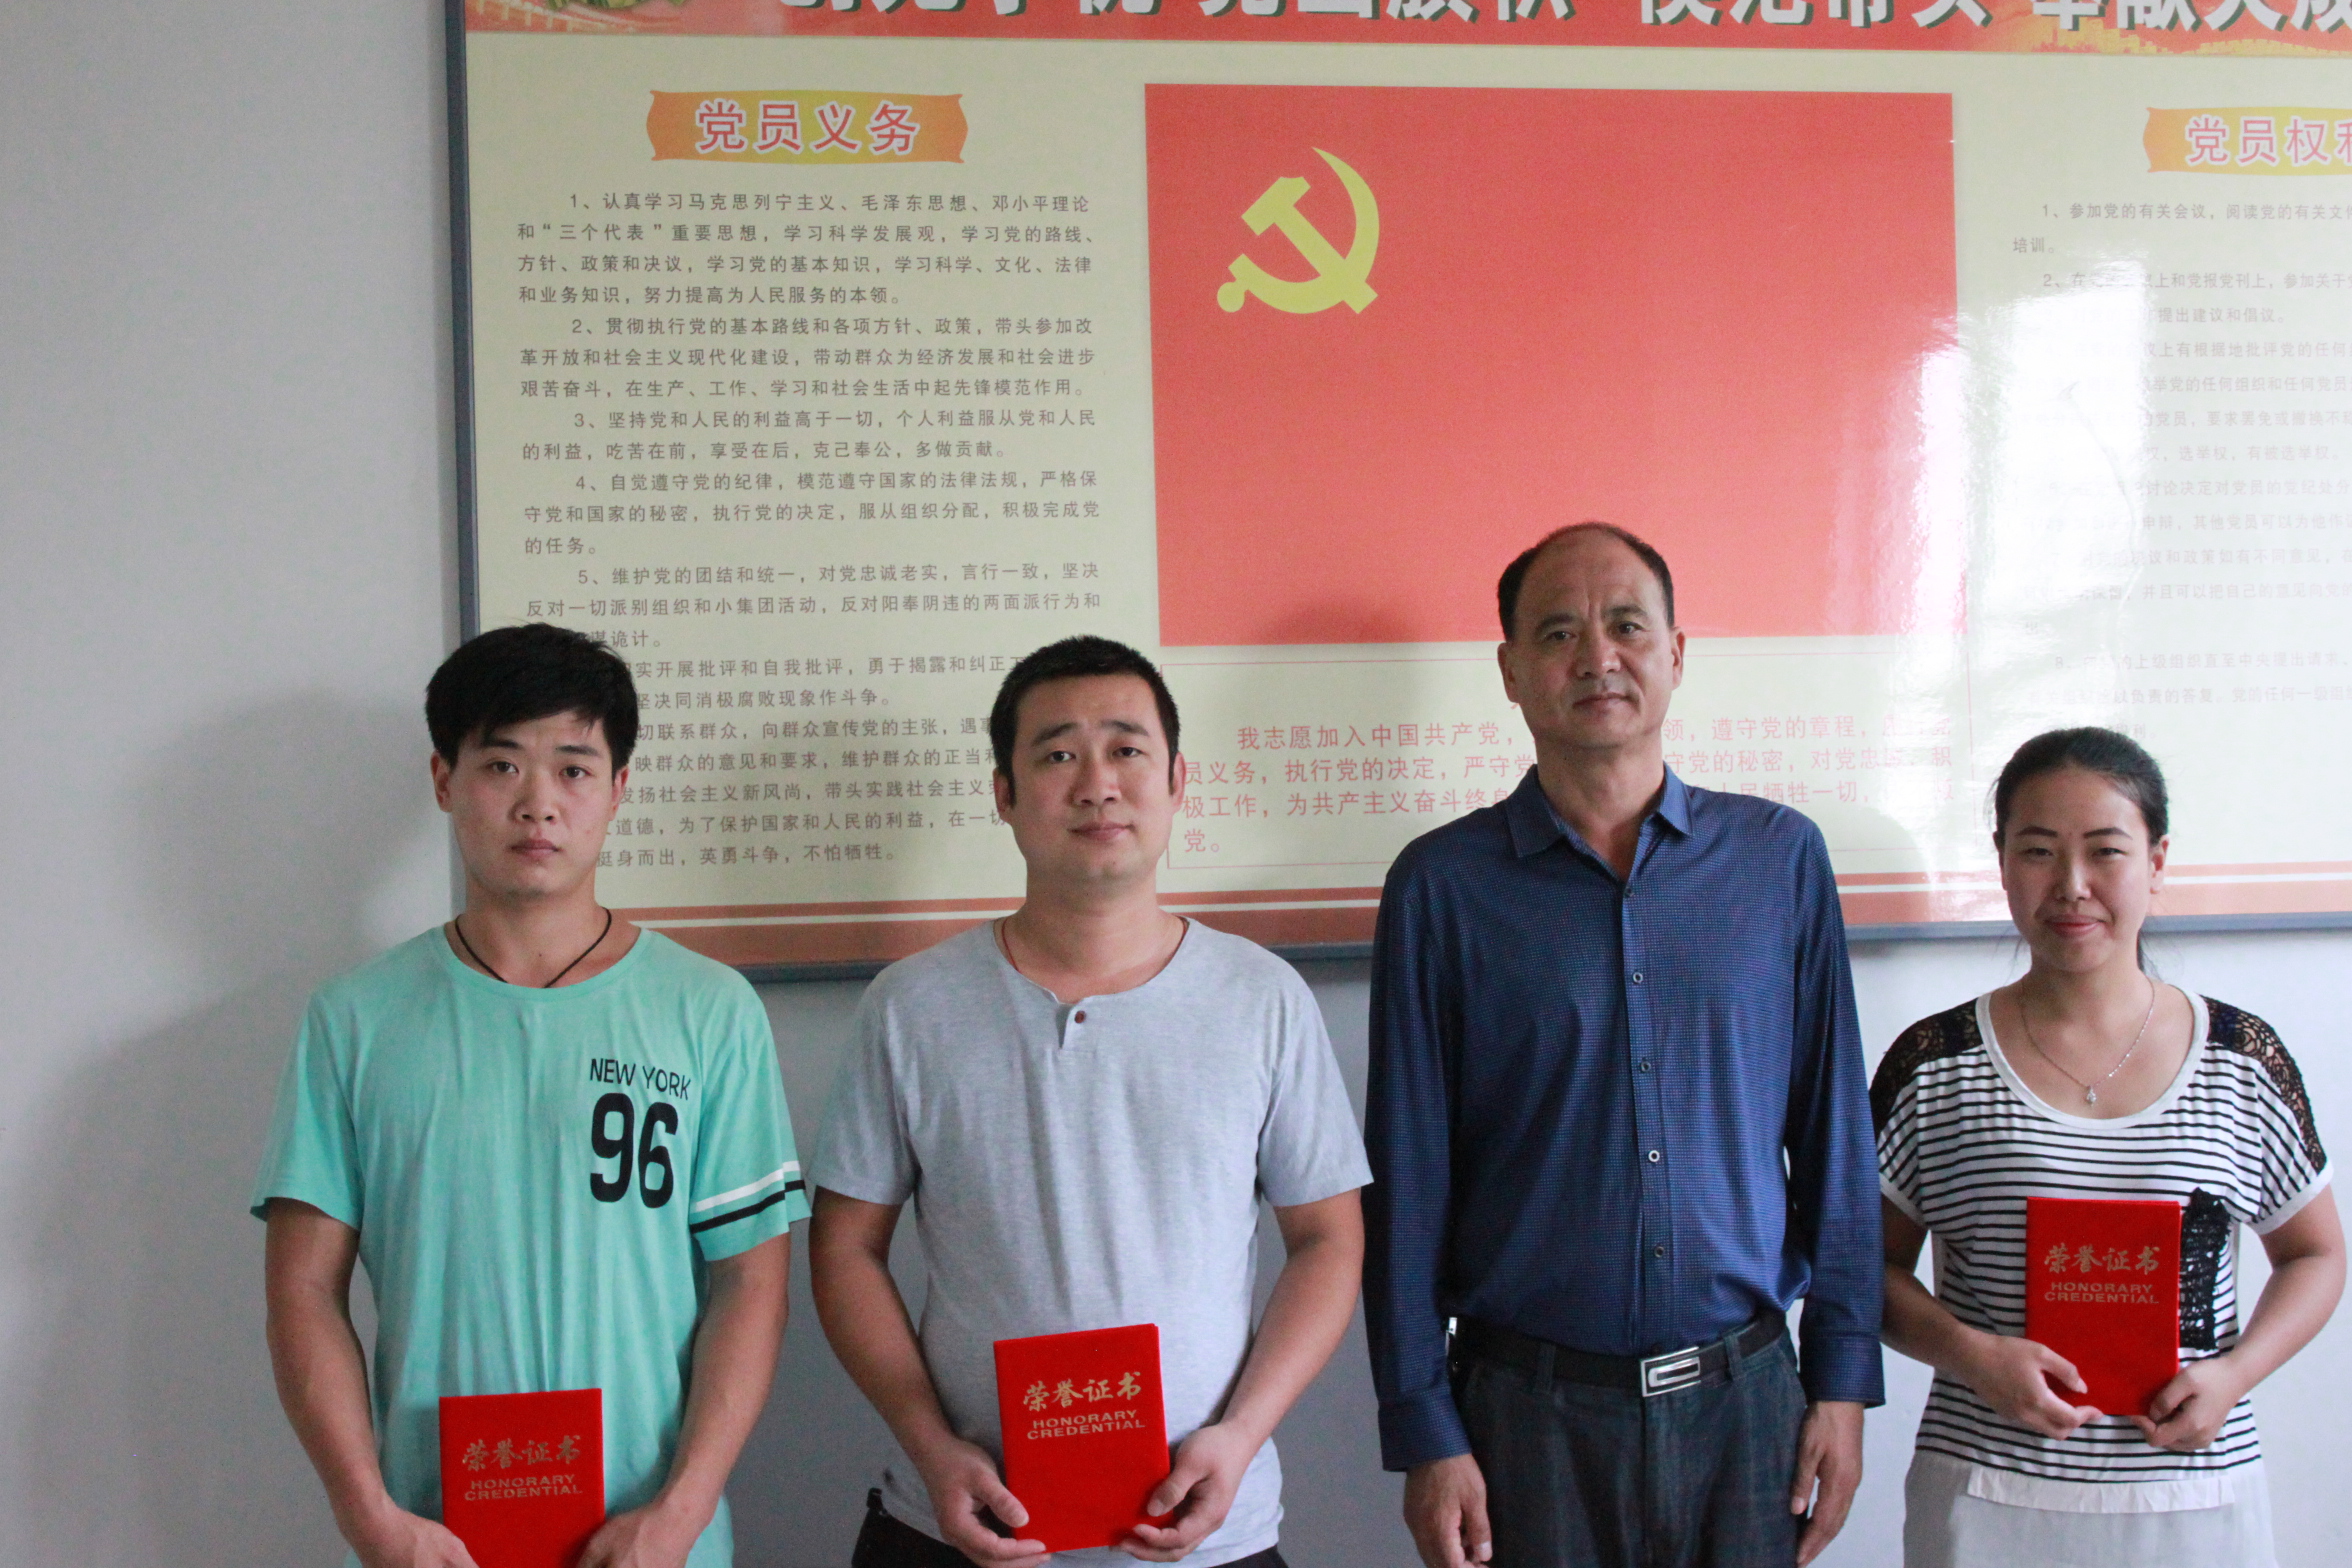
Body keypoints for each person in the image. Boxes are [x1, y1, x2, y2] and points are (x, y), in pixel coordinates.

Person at [1365, 522, 1884, 1568]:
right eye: (1559, 632)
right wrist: (1424, 1428)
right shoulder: (1442, 886)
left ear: (1676, 654)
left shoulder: (1778, 859)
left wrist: (1841, 1379)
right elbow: (1407, 1180)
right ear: (1511, 670)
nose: (1597, 656)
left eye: (1627, 626)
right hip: (1524, 1421)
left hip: (1749, 1408)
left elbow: (1834, 1136)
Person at [808, 635, 1369, 1568]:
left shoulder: (1262, 998)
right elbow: (845, 1245)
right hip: (956, 1523)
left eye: (1126, 749)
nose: (1098, 784)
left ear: (1177, 781)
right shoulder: (911, 1004)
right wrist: (929, 1443)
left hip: (1208, 1530)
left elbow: (1328, 1239)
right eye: (1059, 754)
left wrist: (1241, 1434)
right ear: (1004, 792)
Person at [253, 623, 803, 1568]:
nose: (537, 803)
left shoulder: (709, 1011)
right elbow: (303, 1289)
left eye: (574, 769)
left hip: (651, 1540)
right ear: (444, 780)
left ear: (618, 789)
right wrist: (369, 1516)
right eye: (501, 765)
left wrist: (680, 1513)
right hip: (428, 1539)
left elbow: (751, 1282)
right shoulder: (355, 1020)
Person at [1873, 726, 2343, 1568]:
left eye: (2106, 851)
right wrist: (1974, 1357)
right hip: (1987, 1495)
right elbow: (1861, 1269)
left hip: (2194, 1497)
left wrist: (2234, 1377)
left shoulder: (2241, 1059)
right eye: (2039, 851)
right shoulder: (1934, 1063)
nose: (2072, 885)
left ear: (2156, 861)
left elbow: (2316, 1255)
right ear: (2001, 860)